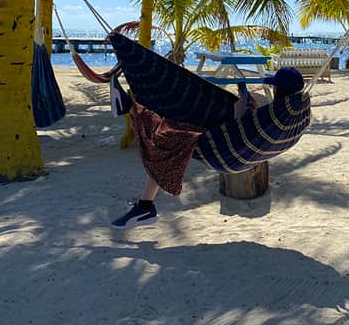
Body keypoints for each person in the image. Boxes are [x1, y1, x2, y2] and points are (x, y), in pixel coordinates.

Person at [111, 67, 306, 229]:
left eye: (273, 86)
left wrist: (241, 113)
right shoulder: (293, 116)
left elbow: (244, 126)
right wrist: (251, 112)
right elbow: (256, 130)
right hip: (244, 154)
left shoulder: (273, 117)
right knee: (173, 136)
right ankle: (145, 205)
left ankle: (128, 106)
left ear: (277, 89)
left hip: (226, 153)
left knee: (166, 135)